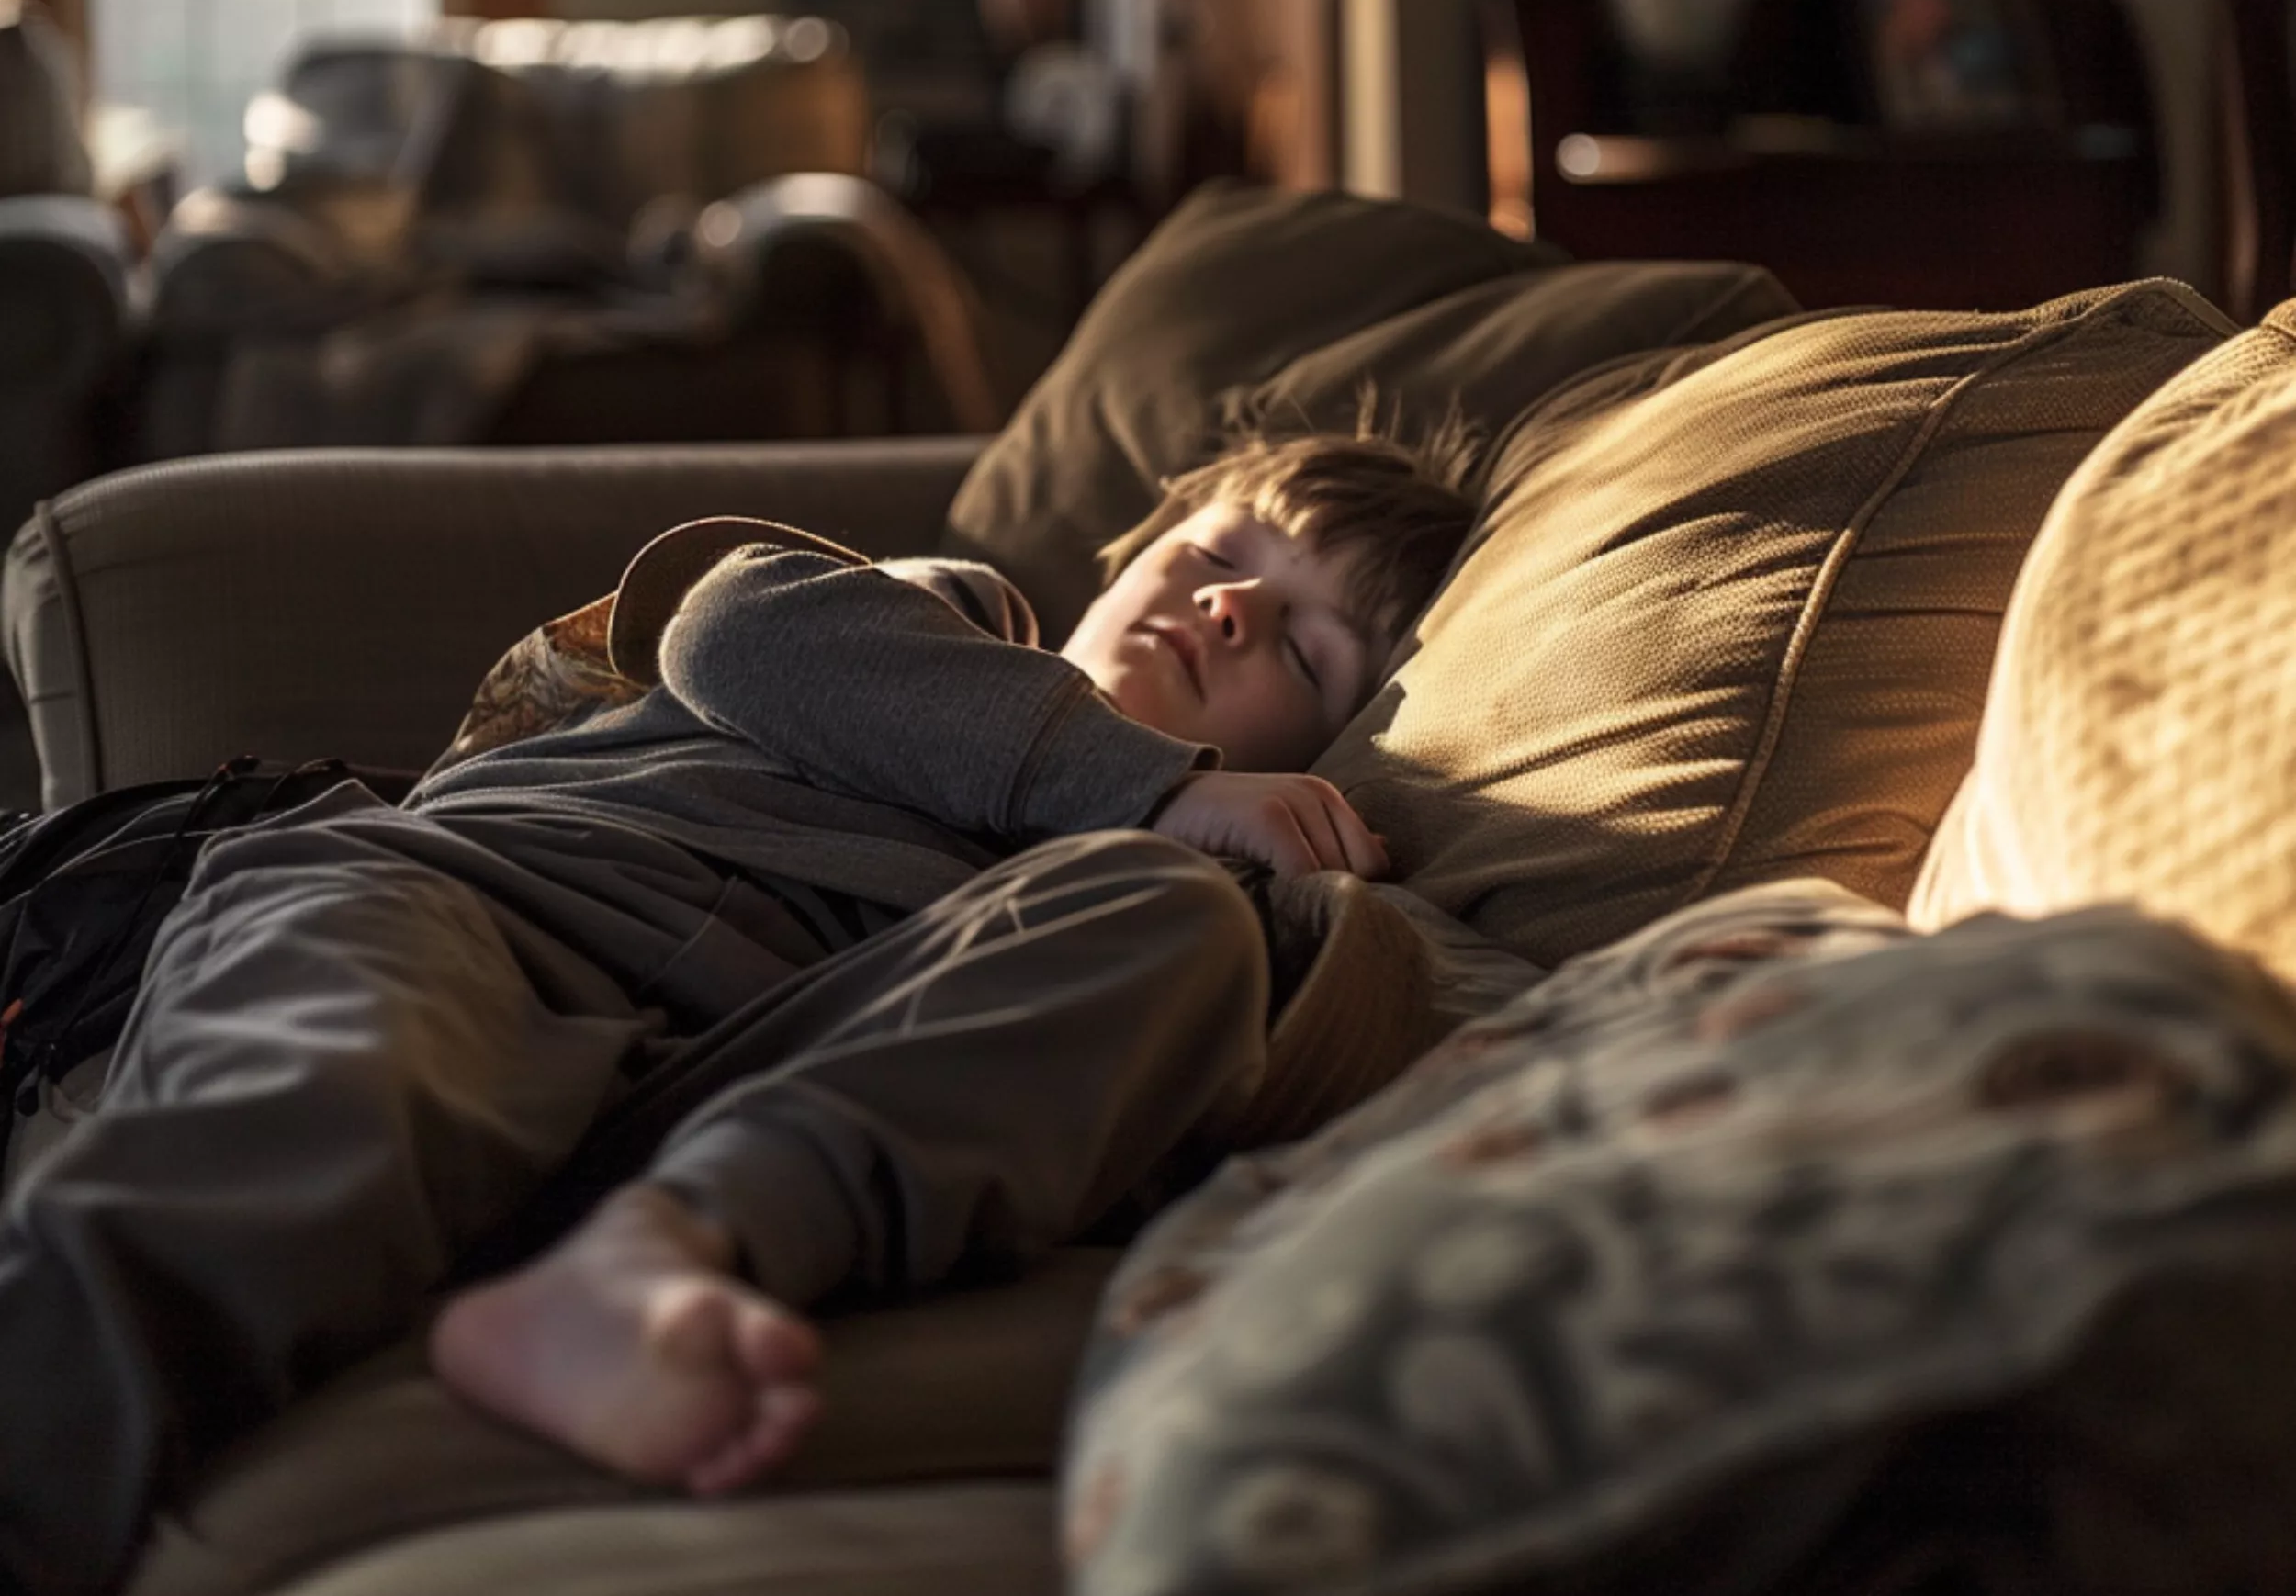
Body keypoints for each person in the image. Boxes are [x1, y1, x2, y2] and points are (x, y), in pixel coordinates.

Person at [0, 419, 1476, 1596]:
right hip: (483, 909)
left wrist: (1229, 858)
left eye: (1303, 648)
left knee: (1170, 922)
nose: (1230, 606)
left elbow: (1354, 1013)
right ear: (1132, 554)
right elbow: (733, 627)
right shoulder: (960, 618)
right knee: (320, 1093)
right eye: (1220, 553)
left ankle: (662, 1254)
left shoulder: (1172, 869)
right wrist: (1151, 782)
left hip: (706, 1094)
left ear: (1328, 745)